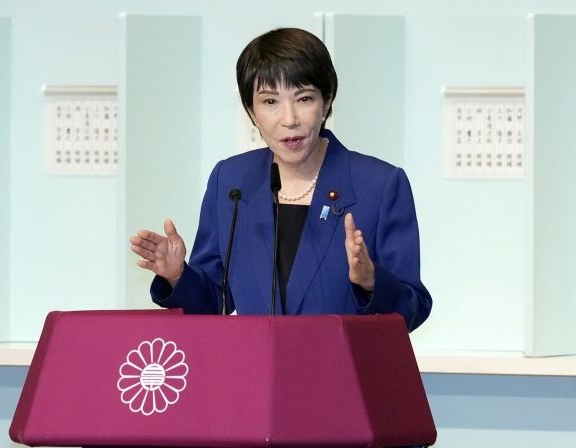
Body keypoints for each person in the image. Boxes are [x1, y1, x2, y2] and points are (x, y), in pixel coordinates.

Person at [130, 27, 432, 332]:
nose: (289, 119)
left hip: (341, 363)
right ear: (251, 111)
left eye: (304, 98)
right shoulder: (231, 182)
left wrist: (371, 282)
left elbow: (415, 306)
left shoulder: (379, 185)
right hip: (255, 362)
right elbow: (214, 301)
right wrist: (177, 275)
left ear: (327, 102)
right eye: (270, 102)